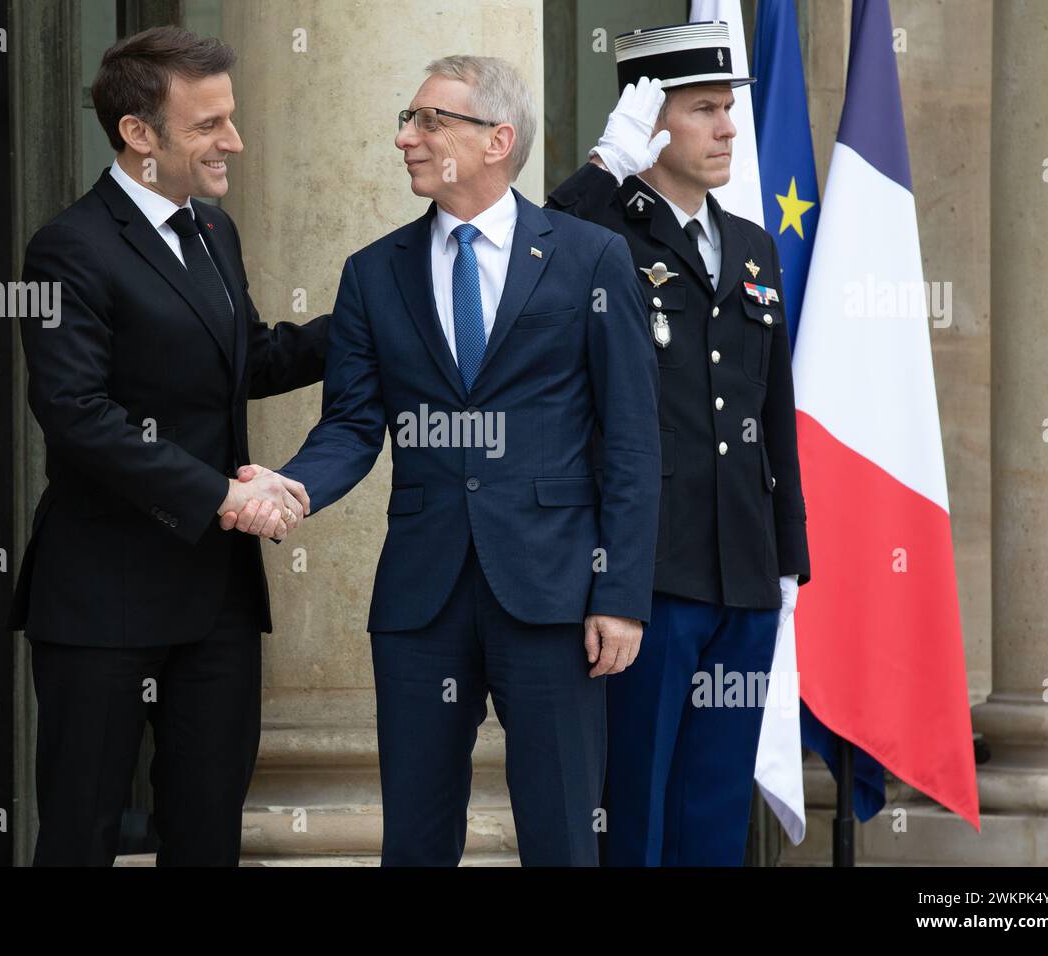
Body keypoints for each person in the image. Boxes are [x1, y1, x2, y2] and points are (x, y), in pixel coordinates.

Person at [269, 55, 660, 866]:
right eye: (406, 122)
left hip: (556, 594)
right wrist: (292, 486)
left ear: (496, 140)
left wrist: (620, 593)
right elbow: (350, 426)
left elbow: (630, 439)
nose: (406, 139)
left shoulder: (592, 259)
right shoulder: (374, 273)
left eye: (428, 121)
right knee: (414, 838)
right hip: (422, 598)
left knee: (561, 834)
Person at [9, 25, 327, 866]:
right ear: (138, 135)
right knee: (81, 836)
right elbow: (76, 412)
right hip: (103, 595)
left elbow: (247, 360)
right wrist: (221, 495)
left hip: (214, 600)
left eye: (231, 118)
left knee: (207, 836)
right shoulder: (67, 249)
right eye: (208, 125)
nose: (235, 141)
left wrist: (369, 322)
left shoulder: (213, 232)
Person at [546, 20, 811, 866]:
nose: (729, 126)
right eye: (704, 109)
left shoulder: (751, 245)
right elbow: (532, 255)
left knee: (716, 800)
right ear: (652, 123)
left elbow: (775, 415)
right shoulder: (598, 239)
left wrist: (788, 556)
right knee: (637, 801)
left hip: (742, 566)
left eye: (729, 107)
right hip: (648, 573)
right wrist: (602, 170)